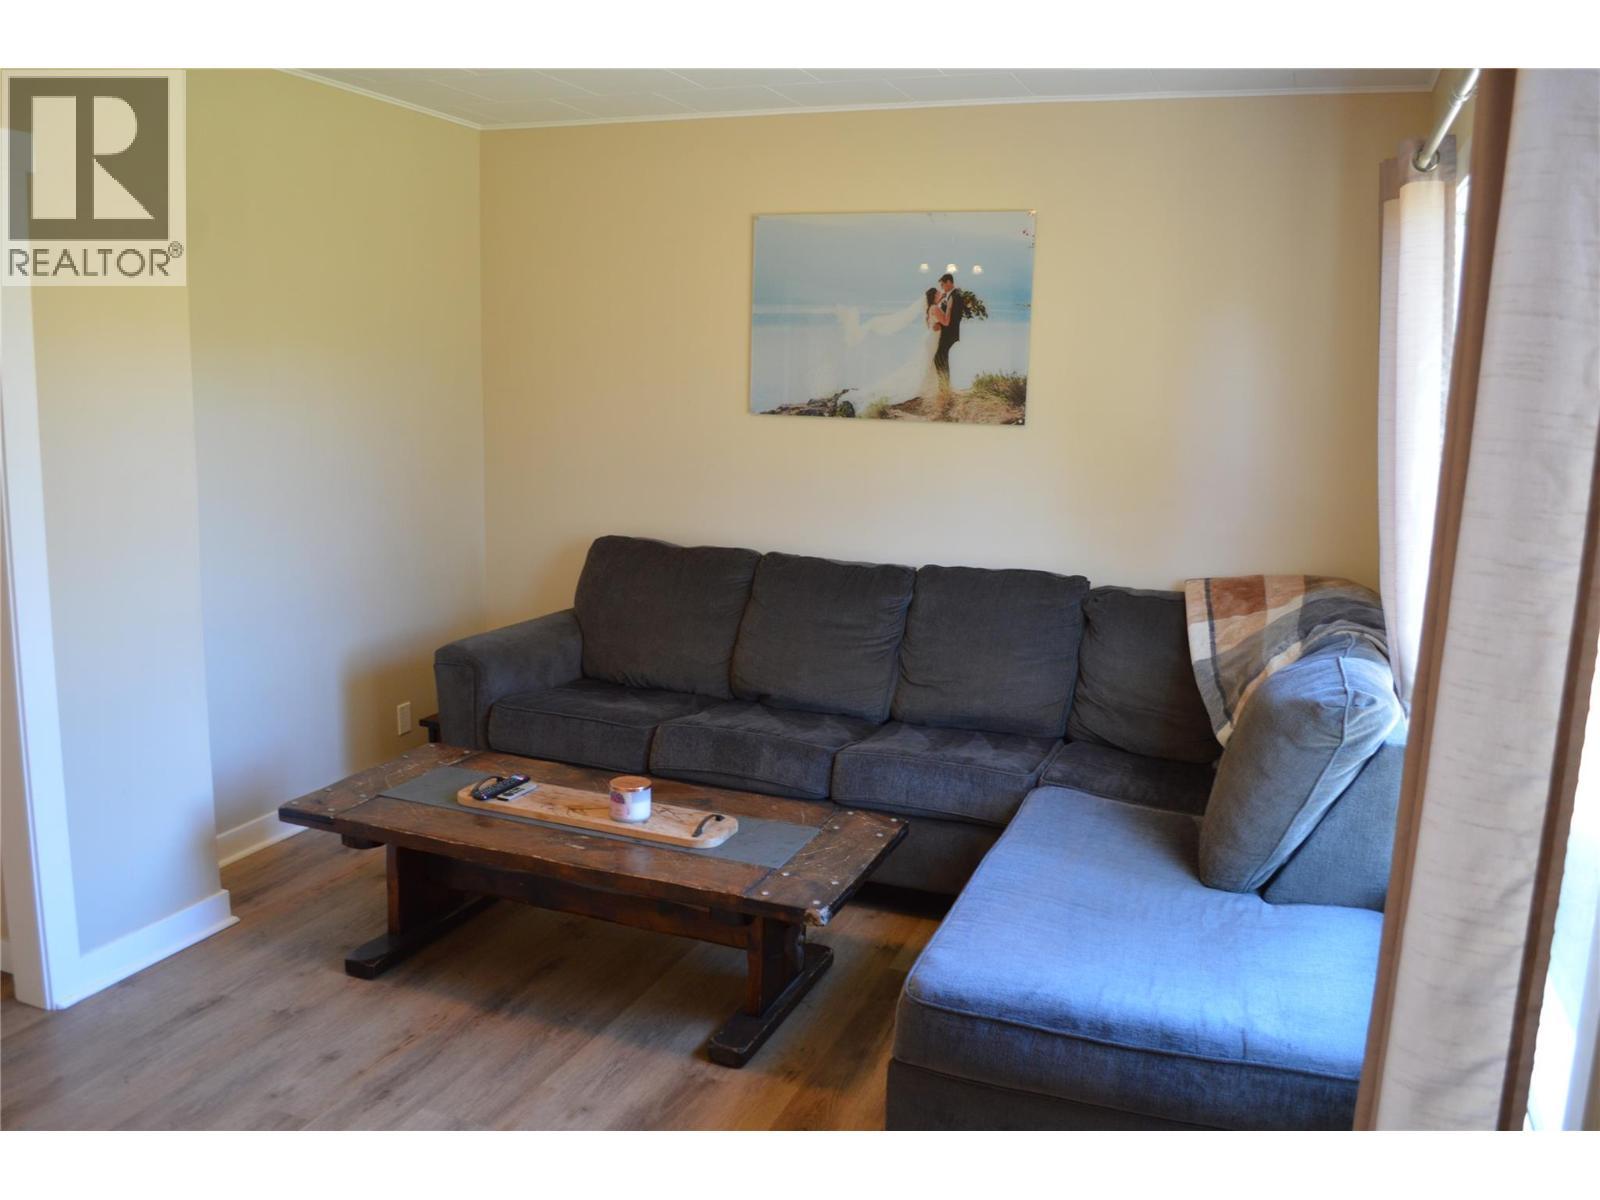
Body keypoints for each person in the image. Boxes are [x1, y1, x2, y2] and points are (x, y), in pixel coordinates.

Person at [932, 272, 965, 394]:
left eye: (942, 285)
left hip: (949, 333)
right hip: (950, 332)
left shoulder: (954, 296)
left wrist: (940, 323)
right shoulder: (953, 295)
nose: (942, 287)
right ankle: (945, 387)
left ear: (949, 282)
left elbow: (949, 319)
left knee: (939, 357)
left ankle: (944, 387)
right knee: (942, 357)